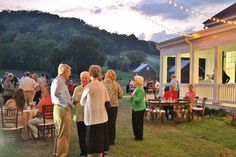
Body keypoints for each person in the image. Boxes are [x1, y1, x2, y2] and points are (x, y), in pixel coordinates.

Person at [80, 65, 110, 157]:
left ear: (89, 74)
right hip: (102, 117)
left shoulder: (88, 87)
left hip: (91, 118)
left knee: (91, 139)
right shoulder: (102, 86)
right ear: (99, 74)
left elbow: (82, 102)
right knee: (100, 139)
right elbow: (107, 100)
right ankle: (100, 155)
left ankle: (90, 155)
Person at [51, 63, 72, 157]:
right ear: (64, 72)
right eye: (69, 72)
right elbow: (57, 93)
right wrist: (65, 104)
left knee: (59, 133)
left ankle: (56, 153)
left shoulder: (58, 80)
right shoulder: (59, 81)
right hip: (62, 109)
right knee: (64, 135)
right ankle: (61, 155)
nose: (70, 74)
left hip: (58, 108)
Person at [102, 69, 123, 145]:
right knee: (112, 123)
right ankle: (111, 140)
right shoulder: (116, 84)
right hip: (114, 106)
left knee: (104, 122)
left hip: (104, 105)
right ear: (114, 76)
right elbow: (121, 95)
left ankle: (105, 139)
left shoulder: (102, 83)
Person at [72, 71, 90, 157]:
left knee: (89, 135)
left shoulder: (91, 88)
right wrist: (74, 101)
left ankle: (90, 151)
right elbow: (73, 101)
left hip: (89, 116)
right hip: (79, 116)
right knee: (81, 136)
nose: (84, 79)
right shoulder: (77, 89)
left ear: (89, 78)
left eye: (86, 77)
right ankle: (83, 152)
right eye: (82, 77)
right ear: (80, 78)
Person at [130, 75, 146, 141]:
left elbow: (138, 99)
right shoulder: (137, 88)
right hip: (135, 108)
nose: (133, 81)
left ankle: (139, 137)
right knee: (135, 123)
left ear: (138, 82)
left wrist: (132, 96)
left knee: (138, 123)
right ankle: (136, 135)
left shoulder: (140, 89)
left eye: (134, 80)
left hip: (139, 109)